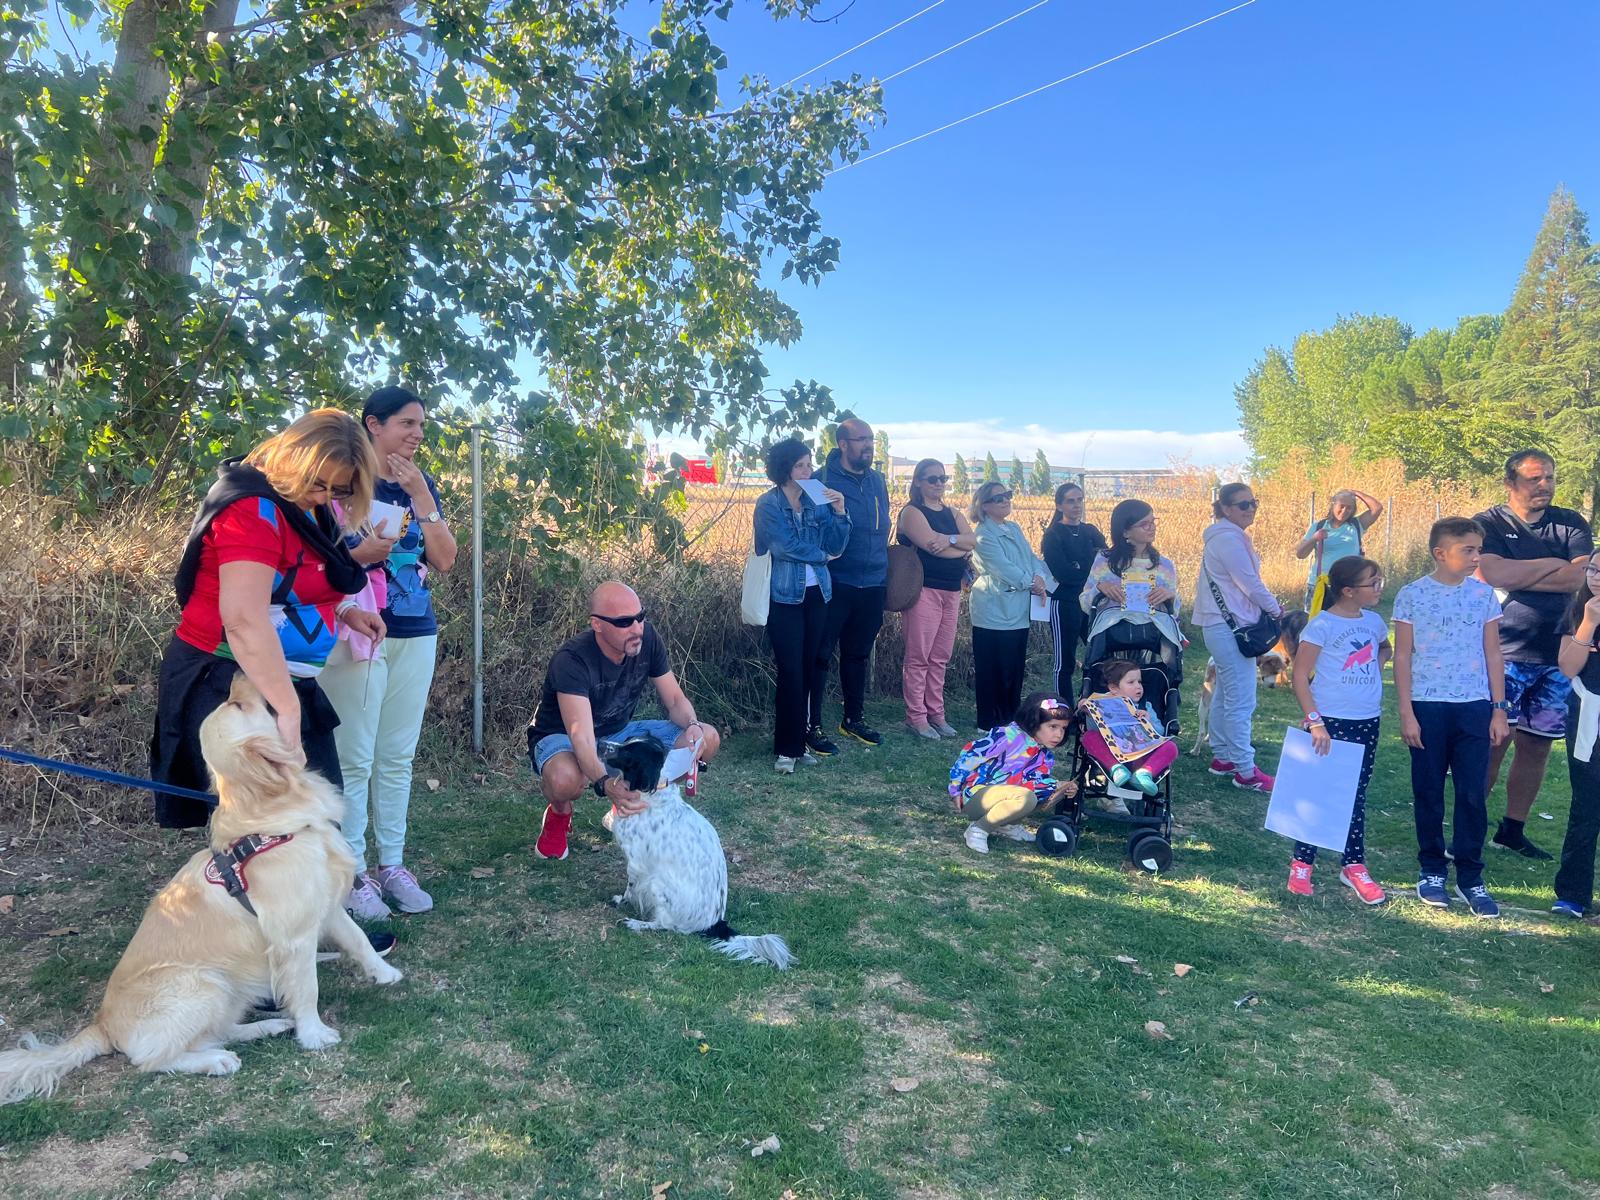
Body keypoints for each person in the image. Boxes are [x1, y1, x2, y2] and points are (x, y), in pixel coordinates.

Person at [152, 409, 386, 830]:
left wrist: (346, 611)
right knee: (265, 833)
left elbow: (299, 579)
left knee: (318, 814)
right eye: (320, 484)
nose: (325, 497)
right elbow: (243, 619)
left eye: (339, 488)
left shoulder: (305, 503)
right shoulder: (252, 509)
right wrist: (287, 708)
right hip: (227, 681)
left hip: (284, 681)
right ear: (297, 459)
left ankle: (321, 894)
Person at [321, 386, 457, 920]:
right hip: (355, 632)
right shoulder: (339, 481)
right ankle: (351, 871)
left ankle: (392, 865)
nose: (417, 434)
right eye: (407, 423)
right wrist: (361, 555)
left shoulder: (419, 487)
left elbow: (445, 559)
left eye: (421, 426)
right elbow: (319, 562)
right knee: (354, 755)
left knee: (396, 756)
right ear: (373, 425)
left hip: (415, 630)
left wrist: (421, 495)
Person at [526, 582, 723, 860]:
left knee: (706, 738)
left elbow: (676, 701)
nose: (637, 628)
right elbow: (580, 735)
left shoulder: (648, 639)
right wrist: (605, 783)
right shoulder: (571, 660)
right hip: (563, 738)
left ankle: (628, 803)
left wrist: (691, 726)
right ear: (597, 624)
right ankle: (559, 814)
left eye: (640, 617)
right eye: (624, 622)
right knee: (565, 780)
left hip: (617, 733)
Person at [1475, 450, 1594, 860]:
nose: (1544, 486)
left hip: (1557, 653)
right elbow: (1491, 573)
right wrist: (1552, 565)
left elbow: (1580, 578)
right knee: (1493, 740)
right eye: (1534, 479)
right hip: (1502, 651)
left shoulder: (1572, 523)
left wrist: (1524, 569)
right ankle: (1469, 827)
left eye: (1549, 478)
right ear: (1511, 483)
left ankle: (1512, 830)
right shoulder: (1488, 523)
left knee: (1538, 745)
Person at [1393, 517, 1510, 916]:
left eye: (1479, 549)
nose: (1477, 556)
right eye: (1469, 550)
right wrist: (1406, 712)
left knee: (1472, 793)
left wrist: (1498, 708)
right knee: (1428, 790)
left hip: (1475, 707)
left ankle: (1471, 876)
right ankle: (1431, 870)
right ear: (1440, 553)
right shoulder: (1411, 595)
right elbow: (1403, 655)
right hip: (1427, 705)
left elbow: (1494, 653)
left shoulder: (1484, 596)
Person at [1287, 556, 1391, 905]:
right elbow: (1299, 675)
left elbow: (1384, 647)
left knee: (1354, 794)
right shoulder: (1322, 626)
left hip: (1367, 720)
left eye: (1380, 581)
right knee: (1318, 791)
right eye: (1372, 583)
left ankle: (1353, 864)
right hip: (1329, 721)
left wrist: (1373, 668)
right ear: (1348, 591)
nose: (1379, 588)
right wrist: (1315, 720)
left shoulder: (1375, 622)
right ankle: (1302, 862)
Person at [753, 438, 850, 774]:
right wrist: (822, 556)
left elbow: (837, 543)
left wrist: (839, 512)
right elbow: (782, 546)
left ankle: (801, 742)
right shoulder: (768, 504)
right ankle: (786, 748)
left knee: (810, 670)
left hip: (818, 595)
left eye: (809, 464)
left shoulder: (816, 502)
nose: (809, 470)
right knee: (791, 671)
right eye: (801, 465)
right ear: (785, 470)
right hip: (785, 597)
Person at [1192, 482, 1283, 794]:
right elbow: (1250, 584)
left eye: (1253, 502)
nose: (1251, 509)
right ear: (1226, 508)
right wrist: (1275, 610)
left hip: (1223, 625)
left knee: (1226, 694)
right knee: (1242, 699)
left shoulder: (1225, 537)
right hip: (1231, 627)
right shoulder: (1229, 540)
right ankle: (1246, 770)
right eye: (1243, 504)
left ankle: (1223, 756)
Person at [812, 417, 892, 751]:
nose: (869, 446)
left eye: (871, 439)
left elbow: (883, 524)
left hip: (873, 582)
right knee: (820, 654)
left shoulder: (878, 480)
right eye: (861, 440)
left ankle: (853, 720)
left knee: (858, 654)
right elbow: (813, 530)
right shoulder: (821, 480)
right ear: (842, 443)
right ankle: (811, 725)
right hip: (835, 582)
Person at [896, 458, 975, 739]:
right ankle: (916, 717)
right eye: (932, 479)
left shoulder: (952, 512)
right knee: (919, 656)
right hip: (923, 590)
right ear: (918, 482)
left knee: (940, 656)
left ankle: (936, 714)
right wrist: (956, 544)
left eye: (943, 479)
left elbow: (972, 540)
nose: (939, 484)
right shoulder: (912, 512)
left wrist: (950, 541)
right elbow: (931, 546)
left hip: (951, 590)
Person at [969, 480, 1055, 730]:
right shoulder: (983, 535)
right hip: (993, 608)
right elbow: (1004, 568)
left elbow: (1030, 558)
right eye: (998, 498)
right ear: (984, 506)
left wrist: (1039, 576)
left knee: (1014, 665)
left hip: (1018, 607)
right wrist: (1032, 582)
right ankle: (988, 721)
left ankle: (1010, 717)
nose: (1006, 500)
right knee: (993, 667)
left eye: (1008, 494)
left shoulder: (1014, 528)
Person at [948, 691, 1078, 854]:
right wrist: (955, 790)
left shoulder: (1044, 754)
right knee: (1026, 797)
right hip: (977, 796)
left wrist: (1059, 786)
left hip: (1007, 795)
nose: (1059, 734)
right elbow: (969, 757)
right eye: (1053, 726)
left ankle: (1005, 825)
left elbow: (1034, 781)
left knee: (1040, 793)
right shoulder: (1007, 736)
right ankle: (978, 829)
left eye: (1063, 728)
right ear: (1034, 721)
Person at [1553, 548, 1600, 919]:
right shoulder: (1577, 609)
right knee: (1586, 806)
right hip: (1587, 715)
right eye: (1593, 569)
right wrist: (1588, 624)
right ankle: (1572, 893)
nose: (1596, 576)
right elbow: (1568, 667)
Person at [1040, 482, 1106, 702]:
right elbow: (1063, 573)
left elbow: (1104, 564)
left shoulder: (1090, 532)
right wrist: (1087, 572)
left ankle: (1092, 704)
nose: (1076, 505)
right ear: (1059, 505)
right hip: (1065, 603)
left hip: (1092, 603)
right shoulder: (1053, 535)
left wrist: (1081, 567)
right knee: (1065, 663)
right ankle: (1063, 711)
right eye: (1070, 501)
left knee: (1100, 655)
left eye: (1079, 499)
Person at [1077, 659, 1178, 797]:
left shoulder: (1146, 707)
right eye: (1131, 682)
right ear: (1114, 688)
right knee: (1089, 737)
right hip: (1113, 754)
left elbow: (1160, 733)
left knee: (1171, 747)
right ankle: (1116, 769)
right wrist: (1088, 710)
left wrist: (1148, 722)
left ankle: (1144, 774)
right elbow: (1094, 729)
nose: (1138, 687)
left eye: (1140, 682)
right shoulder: (1102, 703)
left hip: (1141, 755)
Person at [1079, 498, 1180, 621]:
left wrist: (1170, 596)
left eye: (1152, 521)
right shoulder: (1104, 561)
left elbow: (1174, 613)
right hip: (1112, 636)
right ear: (1125, 532)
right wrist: (1099, 589)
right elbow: (1085, 603)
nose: (1152, 527)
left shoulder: (1164, 565)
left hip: (1153, 636)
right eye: (1144, 524)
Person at [1295, 489, 1384, 610]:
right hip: (1323, 585)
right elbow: (1300, 554)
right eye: (1341, 506)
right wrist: (1314, 539)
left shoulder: (1357, 525)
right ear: (1333, 505)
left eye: (1349, 508)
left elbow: (1377, 508)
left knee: (1350, 622)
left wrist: (1356, 493)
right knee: (1317, 624)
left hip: (1351, 585)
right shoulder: (1318, 526)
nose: (1344, 511)